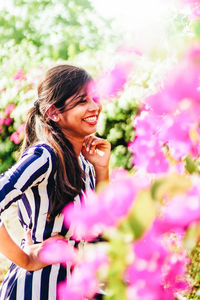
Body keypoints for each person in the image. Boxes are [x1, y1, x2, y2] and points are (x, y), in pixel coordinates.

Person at [0, 65, 110, 300]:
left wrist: (102, 169)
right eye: (82, 101)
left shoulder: (86, 161)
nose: (94, 107)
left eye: (95, 98)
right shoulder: (44, 156)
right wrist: (26, 259)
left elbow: (100, 224)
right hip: (35, 290)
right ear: (53, 113)